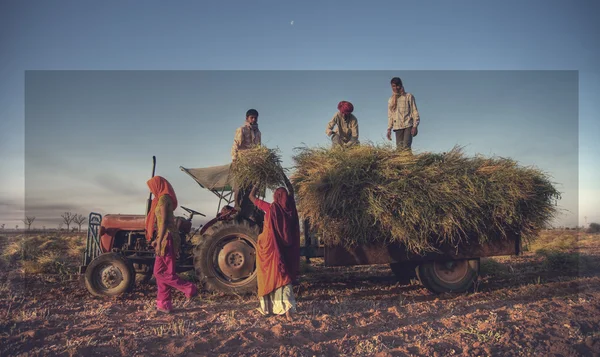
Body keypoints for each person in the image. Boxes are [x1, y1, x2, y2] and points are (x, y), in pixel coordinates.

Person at [249, 177, 300, 322]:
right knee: (284, 278)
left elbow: (251, 197)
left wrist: (257, 182)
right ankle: (288, 312)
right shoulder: (291, 208)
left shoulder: (271, 208)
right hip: (284, 250)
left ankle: (268, 308)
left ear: (276, 197)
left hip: (269, 249)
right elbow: (291, 191)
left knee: (270, 276)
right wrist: (283, 176)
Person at [146, 176, 198, 313]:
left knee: (159, 273)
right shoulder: (163, 199)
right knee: (164, 273)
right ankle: (164, 304)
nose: (152, 191)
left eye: (152, 187)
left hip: (167, 238)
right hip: (166, 237)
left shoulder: (163, 199)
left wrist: (159, 241)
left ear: (158, 185)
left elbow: (163, 222)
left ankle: (188, 287)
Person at [231, 109, 262, 212]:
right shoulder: (242, 129)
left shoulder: (258, 133)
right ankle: (237, 206)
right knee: (239, 186)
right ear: (247, 118)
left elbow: (258, 148)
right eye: (251, 117)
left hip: (252, 164)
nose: (253, 119)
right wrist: (235, 161)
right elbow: (235, 145)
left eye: (255, 118)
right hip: (242, 162)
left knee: (252, 186)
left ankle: (247, 208)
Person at [386, 77, 420, 150]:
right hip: (397, 127)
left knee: (406, 146)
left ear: (401, 85)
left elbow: (414, 111)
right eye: (393, 86)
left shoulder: (408, 96)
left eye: (397, 85)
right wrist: (389, 129)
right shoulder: (391, 100)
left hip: (408, 125)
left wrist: (415, 126)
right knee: (399, 149)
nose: (396, 88)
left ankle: (409, 160)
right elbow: (390, 116)